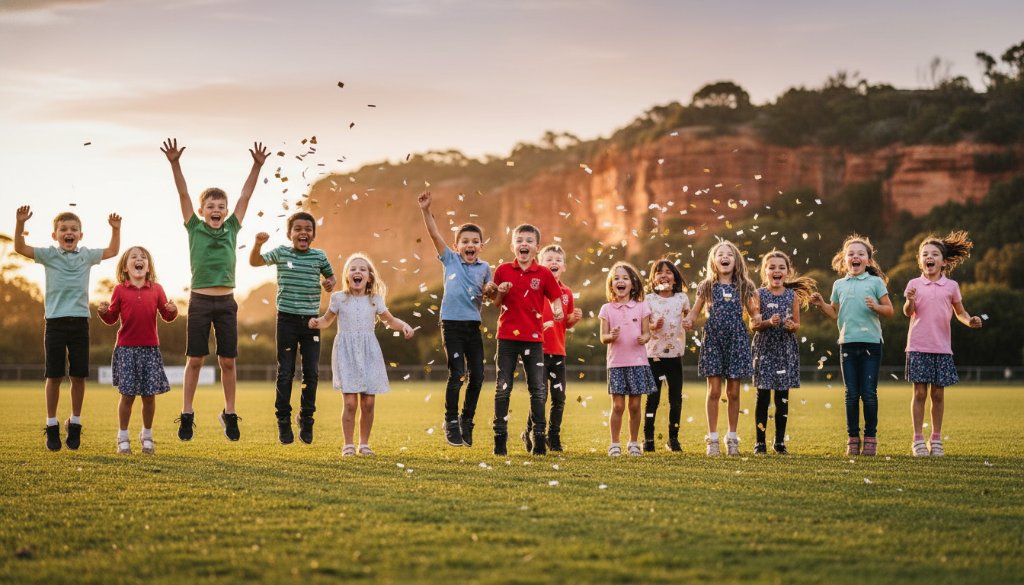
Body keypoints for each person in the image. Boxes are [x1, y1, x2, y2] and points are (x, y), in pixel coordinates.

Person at [161, 137, 269, 442]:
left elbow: (246, 196)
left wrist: (256, 166)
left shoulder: (233, 227)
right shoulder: (194, 227)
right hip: (199, 302)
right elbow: (182, 192)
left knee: (227, 361)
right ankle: (187, 413)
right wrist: (174, 163)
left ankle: (229, 413)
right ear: (202, 210)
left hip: (226, 302)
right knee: (195, 360)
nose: (217, 210)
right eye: (211, 206)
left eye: (221, 206)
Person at [13, 205, 120, 451]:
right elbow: (20, 248)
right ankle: (51, 425)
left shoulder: (86, 255)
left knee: (78, 376)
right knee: (54, 376)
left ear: (80, 235)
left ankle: (75, 422)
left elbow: (113, 250)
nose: (68, 232)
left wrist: (116, 229)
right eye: (63, 229)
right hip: (55, 323)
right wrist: (20, 224)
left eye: (73, 229)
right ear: (55, 235)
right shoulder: (49, 255)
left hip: (80, 322)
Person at [309, 253, 415, 456]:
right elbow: (327, 320)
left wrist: (405, 326)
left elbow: (390, 320)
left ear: (369, 277)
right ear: (347, 276)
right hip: (346, 353)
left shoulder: (375, 299)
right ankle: (348, 444)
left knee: (368, 401)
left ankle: (364, 444)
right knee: (349, 402)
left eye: (362, 269)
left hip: (369, 352)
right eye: (353, 269)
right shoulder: (339, 298)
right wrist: (316, 323)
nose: (357, 271)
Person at [249, 212, 336, 445]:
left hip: (311, 322)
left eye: (308, 229)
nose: (303, 232)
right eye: (298, 229)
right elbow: (255, 262)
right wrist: (258, 244)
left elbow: (331, 278)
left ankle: (306, 419)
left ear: (313, 235)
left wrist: (330, 283)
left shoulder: (319, 256)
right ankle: (283, 420)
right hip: (286, 320)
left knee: (312, 373)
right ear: (290, 234)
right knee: (285, 371)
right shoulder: (281, 252)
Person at [417, 191, 491, 447]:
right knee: (458, 373)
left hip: (472, 326)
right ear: (457, 245)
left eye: (475, 241)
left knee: (479, 375)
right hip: (451, 324)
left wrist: (495, 290)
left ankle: (466, 421)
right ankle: (450, 421)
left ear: (481, 246)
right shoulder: (450, 260)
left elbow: (490, 292)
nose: (470, 245)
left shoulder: (485, 268)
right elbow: (435, 235)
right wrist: (426, 210)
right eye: (465, 241)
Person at [811, 234, 894, 456]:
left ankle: (870, 438)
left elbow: (890, 310)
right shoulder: (839, 284)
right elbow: (835, 312)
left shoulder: (875, 282)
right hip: (847, 344)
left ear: (868, 260)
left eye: (860, 254)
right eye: (851, 254)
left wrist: (876, 307)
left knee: (868, 393)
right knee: (851, 394)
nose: (855, 257)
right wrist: (821, 304)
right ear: (844, 260)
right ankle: (852, 439)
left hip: (871, 346)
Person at [903, 231, 983, 457]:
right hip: (918, 346)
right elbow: (908, 312)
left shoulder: (951, 286)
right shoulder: (913, 284)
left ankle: (935, 439)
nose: (929, 257)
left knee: (937, 395)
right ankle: (918, 439)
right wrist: (909, 300)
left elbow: (961, 313)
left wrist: (970, 321)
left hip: (942, 348)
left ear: (944, 261)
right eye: (925, 254)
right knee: (919, 394)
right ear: (920, 260)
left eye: (935, 254)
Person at [490, 224, 564, 456]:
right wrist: (500, 290)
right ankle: (500, 441)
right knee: (503, 389)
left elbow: (555, 296)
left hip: (534, 340)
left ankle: (538, 440)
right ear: (513, 246)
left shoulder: (542, 273)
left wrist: (559, 309)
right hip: (506, 339)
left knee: (538, 390)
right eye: (519, 240)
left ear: (536, 247)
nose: (524, 244)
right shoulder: (502, 270)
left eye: (529, 241)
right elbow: (494, 302)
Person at [98, 246, 178, 454]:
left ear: (148, 266)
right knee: (127, 395)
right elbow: (112, 318)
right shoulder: (120, 290)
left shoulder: (157, 289)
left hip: (150, 349)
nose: (139, 259)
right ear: (126, 267)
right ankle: (122, 437)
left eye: (143, 257)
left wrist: (173, 311)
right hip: (126, 349)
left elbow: (167, 316)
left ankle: (147, 435)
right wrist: (104, 313)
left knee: (149, 396)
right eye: (133, 257)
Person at [682, 240, 759, 457]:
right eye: (720, 254)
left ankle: (732, 437)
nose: (725, 257)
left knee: (733, 392)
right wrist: (687, 320)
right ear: (714, 262)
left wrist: (760, 317)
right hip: (713, 340)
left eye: (729, 255)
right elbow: (694, 314)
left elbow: (754, 315)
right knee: (714, 391)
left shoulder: (744, 285)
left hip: (737, 340)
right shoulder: (707, 286)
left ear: (736, 261)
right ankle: (713, 439)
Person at [750, 250, 816, 455]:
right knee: (762, 397)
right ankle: (760, 442)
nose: (776, 271)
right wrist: (768, 322)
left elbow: (797, 324)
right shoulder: (758, 294)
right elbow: (753, 324)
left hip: (785, 349)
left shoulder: (792, 295)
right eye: (772, 267)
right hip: (764, 348)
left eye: (781, 267)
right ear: (764, 272)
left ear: (787, 272)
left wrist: (791, 326)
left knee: (782, 398)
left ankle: (779, 442)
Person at [523, 244, 582, 452]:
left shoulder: (567, 293)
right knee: (541, 396)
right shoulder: (535, 288)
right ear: (540, 264)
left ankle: (553, 436)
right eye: (549, 259)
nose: (554, 262)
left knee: (559, 398)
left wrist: (572, 320)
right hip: (538, 350)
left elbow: (565, 323)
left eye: (558, 260)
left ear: (564, 266)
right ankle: (529, 431)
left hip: (558, 352)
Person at [600, 262, 655, 457]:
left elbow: (647, 333)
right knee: (618, 406)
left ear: (633, 284)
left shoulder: (642, 307)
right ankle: (615, 444)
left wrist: (645, 338)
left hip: (638, 363)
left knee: (634, 405)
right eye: (616, 278)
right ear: (611, 284)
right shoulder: (606, 309)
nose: (620, 281)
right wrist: (611, 336)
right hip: (616, 364)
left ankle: (633, 443)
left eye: (625, 278)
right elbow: (603, 337)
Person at [642, 258, 690, 452]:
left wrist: (689, 322)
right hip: (653, 355)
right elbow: (644, 326)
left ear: (675, 278)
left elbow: (688, 319)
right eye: (659, 272)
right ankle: (648, 439)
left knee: (675, 399)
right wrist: (653, 326)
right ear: (654, 279)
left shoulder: (682, 298)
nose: (664, 275)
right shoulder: (648, 299)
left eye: (669, 272)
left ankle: (673, 438)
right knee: (652, 399)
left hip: (675, 355)